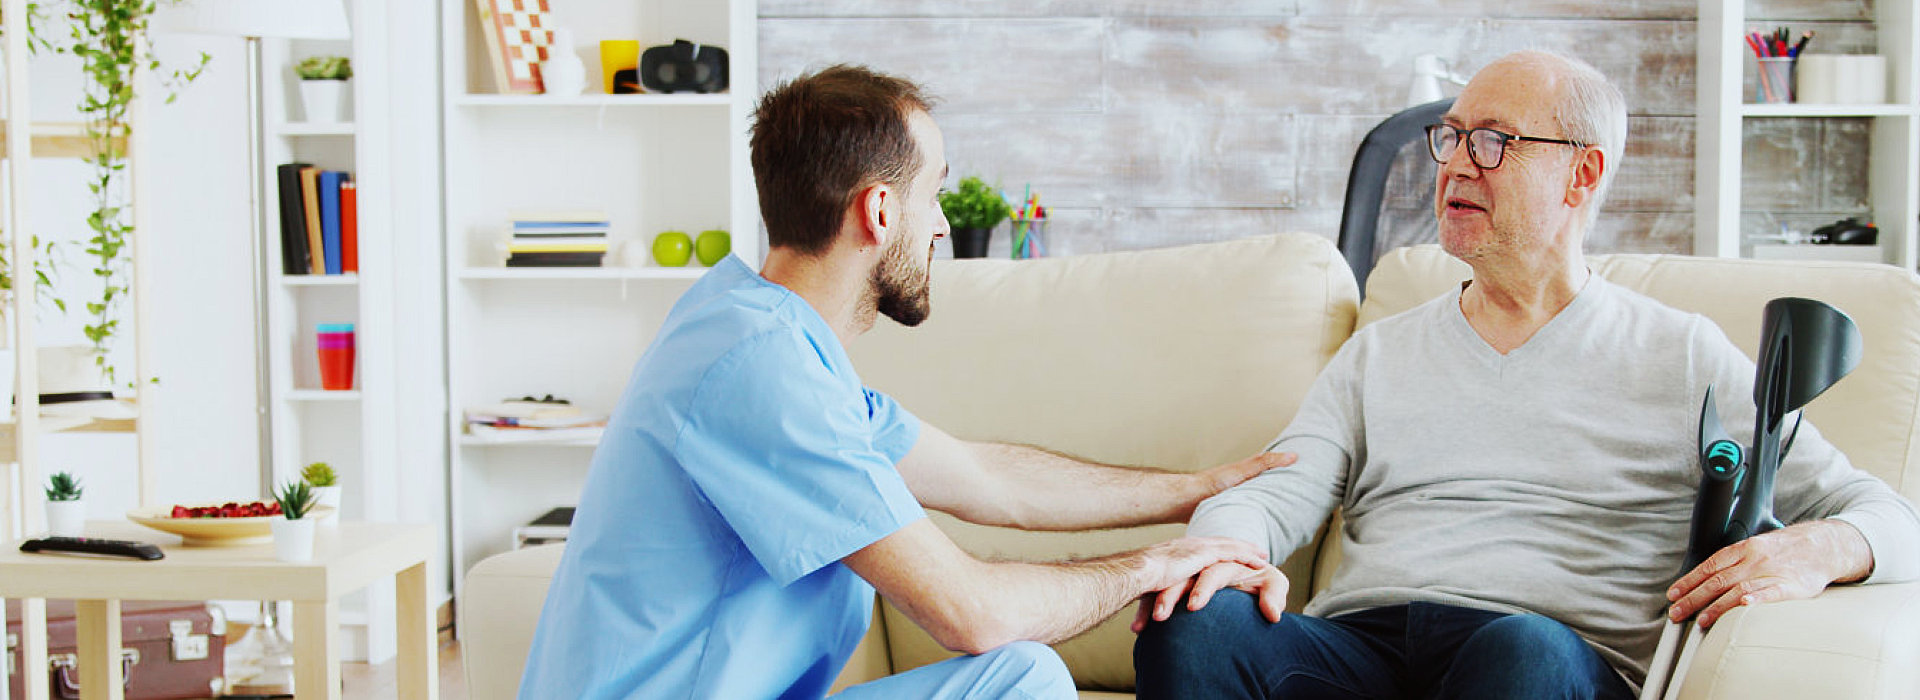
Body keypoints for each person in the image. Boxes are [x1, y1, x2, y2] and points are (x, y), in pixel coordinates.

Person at [1132, 50, 1920, 699]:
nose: (1454, 167)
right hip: (1362, 651)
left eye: (1494, 141)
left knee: (1518, 655)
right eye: (1452, 138)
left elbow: (1885, 514)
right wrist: (1223, 547)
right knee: (1193, 624)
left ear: (1582, 175)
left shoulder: (1682, 355)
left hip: (1548, 660)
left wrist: (1821, 550)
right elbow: (1275, 490)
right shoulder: (1381, 352)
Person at [516, 64, 1290, 700]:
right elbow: (974, 614)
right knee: (1017, 682)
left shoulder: (767, 340)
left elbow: (992, 482)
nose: (943, 225)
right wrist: (1152, 566)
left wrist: (1203, 488)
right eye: (936, 194)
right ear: (880, 210)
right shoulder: (757, 369)